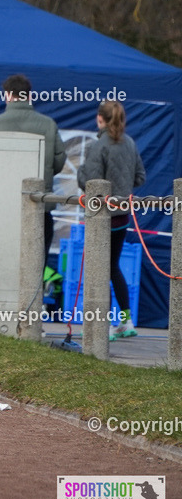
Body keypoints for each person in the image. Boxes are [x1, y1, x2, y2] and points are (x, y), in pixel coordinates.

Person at [77, 100, 146, 341]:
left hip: (102, 217)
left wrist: (80, 172)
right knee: (113, 268)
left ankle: (102, 325)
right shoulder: (130, 143)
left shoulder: (99, 146)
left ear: (100, 119)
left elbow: (91, 183)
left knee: (98, 270)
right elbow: (140, 177)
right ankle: (126, 320)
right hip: (123, 217)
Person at [0, 74, 67, 256]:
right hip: (39, 206)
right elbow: (59, 160)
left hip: (3, 208)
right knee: (36, 266)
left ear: (7, 96)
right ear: (29, 96)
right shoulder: (48, 124)